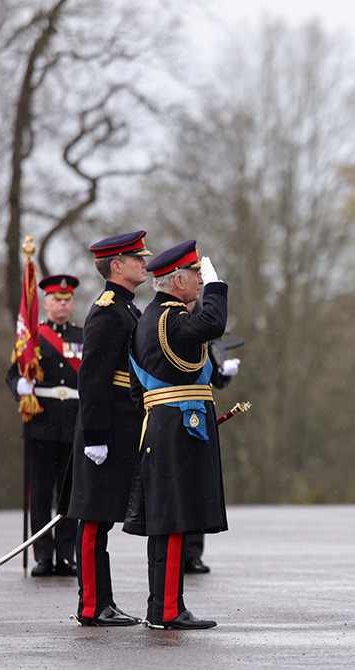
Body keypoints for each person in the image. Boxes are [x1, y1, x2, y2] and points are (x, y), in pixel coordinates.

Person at [122, 240, 230, 630]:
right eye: (197, 276)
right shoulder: (167, 318)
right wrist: (218, 289)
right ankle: (166, 610)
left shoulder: (152, 319)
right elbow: (213, 324)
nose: (201, 282)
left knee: (174, 518)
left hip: (166, 424)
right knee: (171, 520)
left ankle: (166, 607)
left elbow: (138, 390)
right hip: (174, 429)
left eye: (204, 277)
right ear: (178, 279)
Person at [67, 230, 151, 627]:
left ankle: (105, 601)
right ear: (116, 266)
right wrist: (96, 436)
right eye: (138, 258)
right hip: (106, 428)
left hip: (124, 423)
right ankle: (90, 605)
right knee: (94, 518)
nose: (145, 263)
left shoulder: (128, 310)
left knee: (103, 518)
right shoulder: (106, 310)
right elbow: (93, 378)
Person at [6, 274, 83, 577]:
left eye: (67, 300)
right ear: (46, 303)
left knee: (70, 493)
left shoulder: (83, 335)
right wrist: (20, 388)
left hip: (75, 420)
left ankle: (65, 555)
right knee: (39, 493)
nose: (62, 304)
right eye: (56, 300)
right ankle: (43, 555)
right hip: (42, 421)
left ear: (72, 303)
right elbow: (13, 373)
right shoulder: (32, 337)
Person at [184, 342, 241, 575]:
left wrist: (224, 372)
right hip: (170, 410)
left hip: (199, 414)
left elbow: (215, 379)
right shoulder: (163, 324)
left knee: (197, 487)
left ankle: (192, 554)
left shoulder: (202, 331)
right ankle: (173, 552)